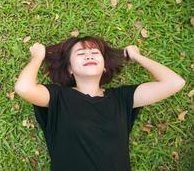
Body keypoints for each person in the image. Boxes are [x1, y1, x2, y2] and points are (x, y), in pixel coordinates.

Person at [14, 35, 185, 171]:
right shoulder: (58, 97)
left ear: (104, 66)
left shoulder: (122, 98)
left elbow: (174, 83)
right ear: (70, 69)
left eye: (95, 53)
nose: (88, 54)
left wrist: (136, 57)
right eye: (80, 54)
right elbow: (24, 88)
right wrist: (38, 57)